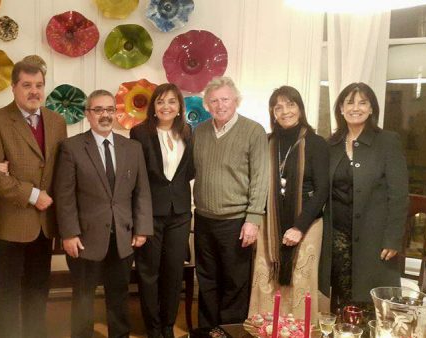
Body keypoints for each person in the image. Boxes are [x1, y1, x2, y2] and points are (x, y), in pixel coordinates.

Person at [55, 89, 153, 338]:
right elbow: (64, 196)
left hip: (122, 236)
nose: (105, 115)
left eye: (110, 109)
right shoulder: (72, 147)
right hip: (84, 239)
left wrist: (142, 228)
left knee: (119, 295)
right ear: (88, 114)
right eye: (98, 110)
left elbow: (141, 192)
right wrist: (69, 234)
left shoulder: (132, 148)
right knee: (84, 296)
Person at [0, 56, 67, 338]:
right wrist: (33, 195)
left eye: (39, 85)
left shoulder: (57, 121)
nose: (34, 91)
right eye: (27, 85)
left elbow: (59, 169)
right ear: (13, 88)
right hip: (10, 223)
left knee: (38, 288)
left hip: (45, 224)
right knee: (7, 293)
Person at [322, 82, 408, 312]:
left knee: (372, 304)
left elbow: (399, 195)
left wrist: (393, 238)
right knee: (342, 301)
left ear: (372, 108)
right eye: (349, 102)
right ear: (340, 108)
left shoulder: (387, 141)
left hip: (375, 237)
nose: (355, 108)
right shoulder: (331, 145)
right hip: (338, 237)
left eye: (362, 102)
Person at [193, 76, 269, 327]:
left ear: (236, 100)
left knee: (235, 282)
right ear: (206, 105)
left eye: (225, 99)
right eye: (213, 100)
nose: (220, 105)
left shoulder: (253, 130)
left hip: (236, 221)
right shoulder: (200, 132)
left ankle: (229, 331)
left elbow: (260, 177)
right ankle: (207, 331)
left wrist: (253, 219)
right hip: (204, 219)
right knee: (206, 279)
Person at [248, 86, 329, 319]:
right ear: (272, 113)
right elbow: (256, 182)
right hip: (270, 220)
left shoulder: (316, 143)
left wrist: (299, 227)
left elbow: (322, 190)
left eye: (290, 105)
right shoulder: (266, 141)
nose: (285, 111)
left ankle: (298, 332)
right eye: (278, 107)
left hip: (308, 222)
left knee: (300, 280)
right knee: (267, 279)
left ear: (300, 108)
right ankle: (265, 330)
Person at [130, 83, 194, 338]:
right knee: (149, 272)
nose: (166, 106)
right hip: (150, 213)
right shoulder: (139, 133)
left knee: (173, 271)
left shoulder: (189, 132)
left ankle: (168, 326)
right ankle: (153, 328)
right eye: (160, 102)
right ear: (153, 107)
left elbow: (189, 171)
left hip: (179, 213)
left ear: (179, 107)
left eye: (171, 102)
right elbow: (136, 176)